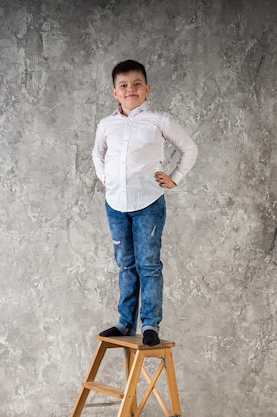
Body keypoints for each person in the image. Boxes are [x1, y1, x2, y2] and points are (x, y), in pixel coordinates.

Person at [92, 60, 198, 346]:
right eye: (124, 85)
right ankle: (124, 323)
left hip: (148, 203)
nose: (131, 90)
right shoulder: (106, 125)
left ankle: (150, 323)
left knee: (148, 264)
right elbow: (97, 154)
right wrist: (104, 177)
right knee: (126, 264)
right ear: (115, 92)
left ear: (147, 89)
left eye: (137, 84)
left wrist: (174, 177)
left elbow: (189, 148)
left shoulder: (158, 120)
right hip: (115, 205)